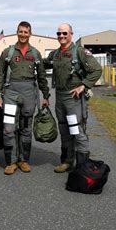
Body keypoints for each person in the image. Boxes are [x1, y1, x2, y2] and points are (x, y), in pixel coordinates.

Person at [0, 21, 50, 175]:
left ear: (30, 34)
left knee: (25, 128)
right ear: (17, 32)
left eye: (26, 32)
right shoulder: (8, 52)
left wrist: (45, 95)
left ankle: (23, 160)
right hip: (11, 93)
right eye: (21, 31)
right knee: (9, 129)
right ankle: (10, 162)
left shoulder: (36, 54)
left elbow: (42, 77)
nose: (23, 34)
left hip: (29, 94)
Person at [44, 23, 102, 173]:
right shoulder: (56, 54)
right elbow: (43, 64)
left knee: (76, 130)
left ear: (71, 34)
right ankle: (67, 161)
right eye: (59, 34)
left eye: (64, 33)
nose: (61, 36)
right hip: (60, 97)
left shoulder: (80, 52)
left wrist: (83, 85)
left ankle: (82, 166)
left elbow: (96, 70)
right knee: (64, 129)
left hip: (74, 98)